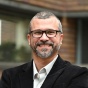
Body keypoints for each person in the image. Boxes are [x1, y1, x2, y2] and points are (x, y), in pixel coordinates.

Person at [1, 11, 88, 88]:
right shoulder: (10, 76)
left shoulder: (78, 75)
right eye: (38, 32)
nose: (44, 38)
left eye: (50, 32)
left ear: (60, 38)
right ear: (29, 39)